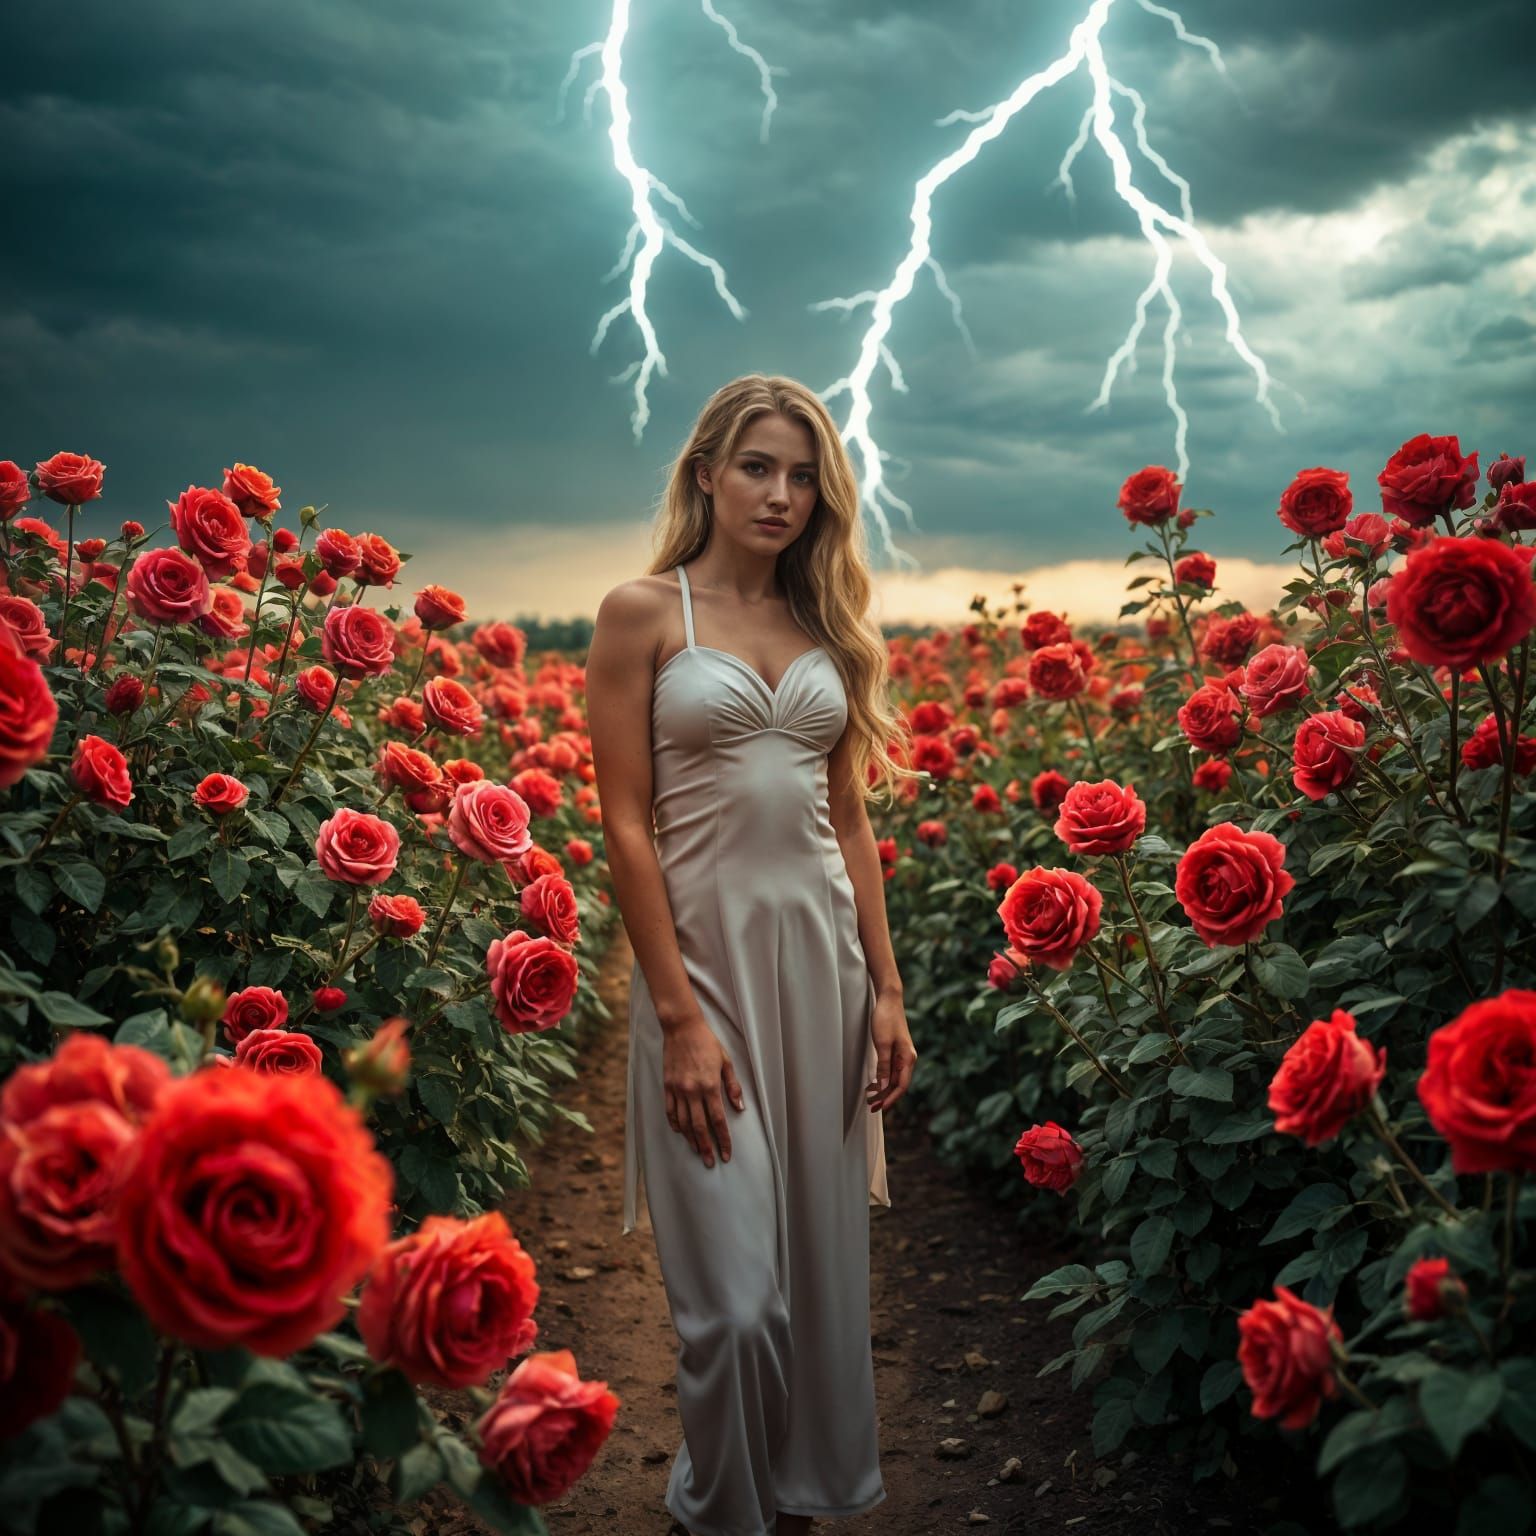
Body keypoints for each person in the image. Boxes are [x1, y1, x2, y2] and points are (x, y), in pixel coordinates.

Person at [586, 374, 921, 1536]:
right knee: (736, 1310)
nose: (781, 495)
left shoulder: (829, 627)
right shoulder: (643, 613)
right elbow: (625, 824)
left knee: (817, 1286)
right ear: (706, 476)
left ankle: (785, 1499)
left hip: (819, 975)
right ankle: (717, 1510)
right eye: (757, 468)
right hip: (706, 981)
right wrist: (675, 1016)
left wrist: (886, 988)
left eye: (802, 475)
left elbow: (852, 819)